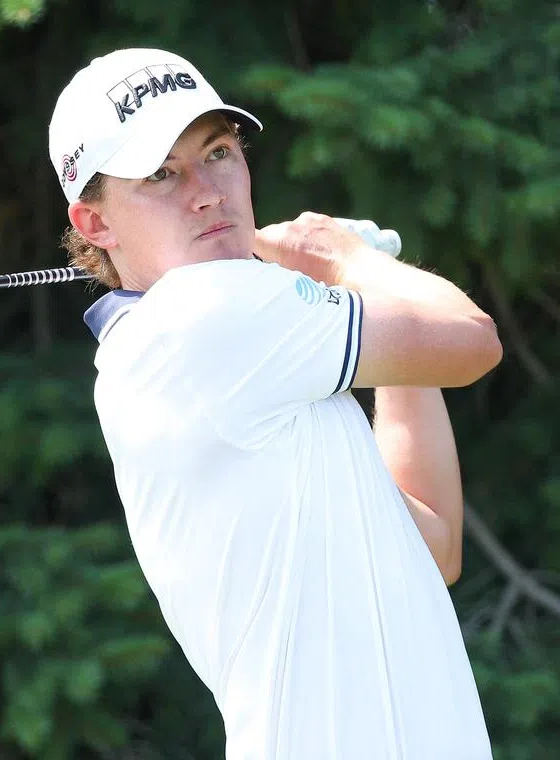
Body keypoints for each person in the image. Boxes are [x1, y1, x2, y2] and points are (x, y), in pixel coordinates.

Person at [48, 47, 501, 758]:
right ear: (96, 224)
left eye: (219, 151)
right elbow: (473, 342)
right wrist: (349, 259)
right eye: (161, 174)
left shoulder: (240, 355)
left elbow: (433, 544)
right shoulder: (206, 316)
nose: (206, 191)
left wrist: (364, 290)